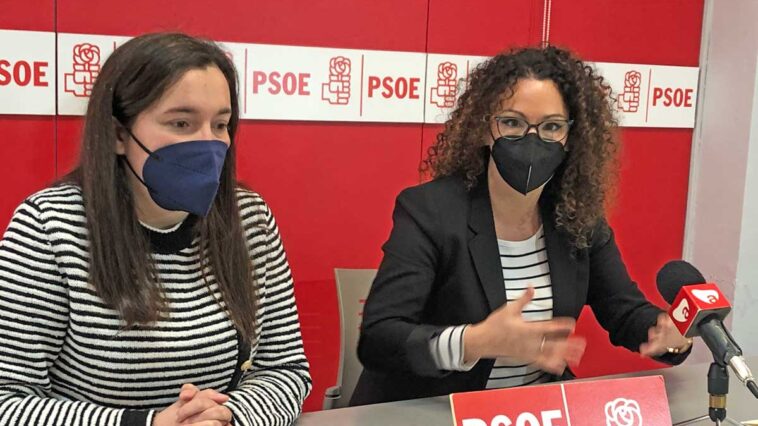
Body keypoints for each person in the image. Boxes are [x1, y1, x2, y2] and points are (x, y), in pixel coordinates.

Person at [351, 45, 691, 406]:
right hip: (435, 410)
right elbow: (379, 339)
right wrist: (474, 342)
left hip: (534, 410)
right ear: (485, 128)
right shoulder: (431, 211)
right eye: (512, 123)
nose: (532, 140)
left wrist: (669, 335)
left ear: (571, 138)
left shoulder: (577, 219)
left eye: (551, 127)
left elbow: (624, 311)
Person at [0, 33, 311, 426]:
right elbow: (7, 400)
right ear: (119, 134)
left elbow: (285, 368)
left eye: (220, 124)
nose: (208, 144)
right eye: (181, 123)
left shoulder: (249, 218)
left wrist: (228, 415)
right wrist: (149, 423)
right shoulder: (49, 225)